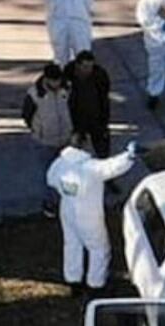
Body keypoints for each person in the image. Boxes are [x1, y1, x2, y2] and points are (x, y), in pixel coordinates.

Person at [46, 137, 137, 295]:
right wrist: (129, 156)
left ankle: (73, 280)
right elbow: (112, 167)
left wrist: (67, 189)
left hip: (67, 210)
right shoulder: (91, 167)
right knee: (98, 249)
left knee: (72, 245)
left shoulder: (60, 163)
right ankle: (96, 284)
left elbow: (50, 180)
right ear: (85, 145)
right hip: (89, 215)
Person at [22, 64, 73, 218]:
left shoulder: (67, 89)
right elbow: (27, 115)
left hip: (66, 138)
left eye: (58, 80)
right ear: (47, 79)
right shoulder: (34, 94)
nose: (56, 84)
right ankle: (49, 203)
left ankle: (68, 200)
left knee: (69, 172)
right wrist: (38, 130)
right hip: (45, 141)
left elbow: (74, 107)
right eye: (54, 81)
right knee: (48, 174)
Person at [63, 50, 112, 159]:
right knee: (75, 153)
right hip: (77, 119)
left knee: (102, 151)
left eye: (91, 66)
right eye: (85, 67)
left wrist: (104, 120)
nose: (89, 70)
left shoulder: (100, 75)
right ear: (78, 65)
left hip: (96, 117)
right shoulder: (68, 74)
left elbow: (104, 98)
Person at [43, 0, 94, 66]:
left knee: (83, 53)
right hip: (57, 20)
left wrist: (79, 12)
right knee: (60, 54)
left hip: (79, 19)